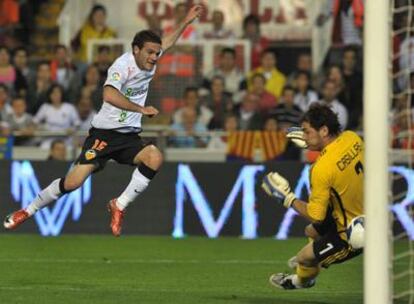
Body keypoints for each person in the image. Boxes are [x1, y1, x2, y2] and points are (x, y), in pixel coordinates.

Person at [4, 5, 203, 236]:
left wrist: (186, 22)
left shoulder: (151, 59)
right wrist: (140, 108)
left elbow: (166, 42)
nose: (154, 57)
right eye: (149, 52)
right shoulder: (121, 66)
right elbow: (109, 95)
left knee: (154, 157)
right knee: (72, 183)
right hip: (103, 136)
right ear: (135, 50)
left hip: (128, 136)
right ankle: (27, 211)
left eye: (156, 53)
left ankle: (119, 204)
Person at [262, 103, 364, 289]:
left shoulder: (320, 168)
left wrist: (288, 198)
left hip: (349, 235)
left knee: (304, 258)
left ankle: (301, 280)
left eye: (307, 132)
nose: (304, 137)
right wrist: (311, 140)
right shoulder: (352, 137)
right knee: (311, 231)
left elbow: (316, 214)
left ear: (324, 130)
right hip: (359, 214)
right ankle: (312, 259)